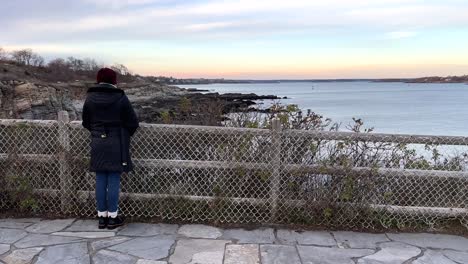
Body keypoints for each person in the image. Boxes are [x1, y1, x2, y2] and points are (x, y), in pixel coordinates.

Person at [82, 68, 139, 229]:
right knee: (113, 178)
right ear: (114, 80)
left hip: (98, 142)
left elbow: (86, 122)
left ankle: (102, 217)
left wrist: (97, 132)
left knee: (100, 178)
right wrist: (124, 134)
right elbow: (133, 122)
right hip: (117, 142)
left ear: (98, 79)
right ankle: (113, 217)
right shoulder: (120, 97)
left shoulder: (90, 98)